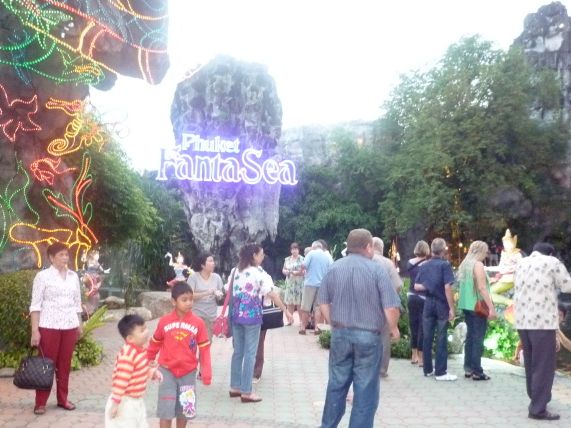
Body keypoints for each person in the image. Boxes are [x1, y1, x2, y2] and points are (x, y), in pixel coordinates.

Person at [317, 229, 401, 428]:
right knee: (365, 389)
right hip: (369, 337)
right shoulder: (377, 270)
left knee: (336, 384)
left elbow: (323, 301)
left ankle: (327, 425)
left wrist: (334, 323)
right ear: (368, 246)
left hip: (341, 334)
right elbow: (391, 307)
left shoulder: (334, 268)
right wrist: (394, 328)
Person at [227, 243, 292, 403]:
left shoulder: (235, 271)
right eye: (261, 254)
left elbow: (227, 289)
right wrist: (286, 310)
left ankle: (235, 387)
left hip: (236, 315)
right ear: (254, 255)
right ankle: (246, 391)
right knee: (250, 353)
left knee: (238, 351)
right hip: (252, 316)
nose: (263, 257)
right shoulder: (259, 272)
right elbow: (272, 293)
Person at [513, 242, 571, 421]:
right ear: (551, 253)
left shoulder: (521, 263)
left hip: (522, 320)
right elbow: (567, 286)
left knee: (531, 364)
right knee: (544, 366)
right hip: (542, 322)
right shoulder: (552, 262)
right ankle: (538, 409)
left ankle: (537, 398)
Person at [147, 282, 211, 427]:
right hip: (166, 373)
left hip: (188, 374)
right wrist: (147, 360)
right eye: (184, 300)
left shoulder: (198, 323)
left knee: (184, 411)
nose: (189, 303)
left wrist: (206, 373)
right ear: (173, 301)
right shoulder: (164, 321)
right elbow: (155, 342)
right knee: (166, 411)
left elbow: (204, 349)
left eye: (191, 299)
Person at [29, 242, 83, 415]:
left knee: (64, 365)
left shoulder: (73, 276)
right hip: (49, 326)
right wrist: (35, 331)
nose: (65, 258)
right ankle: (40, 402)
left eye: (66, 254)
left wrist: (79, 324)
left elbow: (77, 303)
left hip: (69, 325)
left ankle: (63, 399)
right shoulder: (42, 277)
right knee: (46, 364)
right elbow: (35, 305)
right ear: (51, 258)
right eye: (61, 255)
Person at [105, 314, 162, 427]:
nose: (146, 332)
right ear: (130, 338)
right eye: (142, 331)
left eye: (146, 328)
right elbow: (121, 380)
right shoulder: (127, 355)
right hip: (124, 402)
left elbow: (141, 368)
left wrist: (152, 372)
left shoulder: (140, 350)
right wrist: (116, 404)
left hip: (137, 400)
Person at [414, 237, 457, 381]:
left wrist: (429, 285)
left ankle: (427, 369)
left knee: (427, 336)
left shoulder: (425, 265)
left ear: (431, 250)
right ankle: (441, 372)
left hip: (428, 303)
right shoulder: (445, 265)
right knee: (441, 337)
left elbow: (416, 286)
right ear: (443, 250)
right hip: (441, 304)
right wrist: (452, 308)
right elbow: (447, 287)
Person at [457, 241, 497, 381]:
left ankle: (468, 368)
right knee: (477, 339)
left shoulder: (465, 264)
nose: (486, 255)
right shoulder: (478, 265)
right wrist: (491, 308)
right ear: (480, 251)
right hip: (477, 306)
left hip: (466, 305)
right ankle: (477, 371)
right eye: (485, 252)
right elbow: (481, 288)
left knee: (470, 337)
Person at [372, 237, 402, 378]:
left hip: (364, 305)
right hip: (383, 306)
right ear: (382, 248)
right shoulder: (388, 263)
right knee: (384, 337)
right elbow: (397, 285)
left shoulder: (364, 260)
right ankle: (382, 369)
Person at [253, 284, 292, 383]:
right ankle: (255, 372)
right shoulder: (263, 277)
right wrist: (285, 311)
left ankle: (254, 371)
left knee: (252, 344)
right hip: (257, 314)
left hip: (243, 315)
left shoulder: (236, 275)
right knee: (258, 343)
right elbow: (273, 295)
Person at [187, 253, 224, 340]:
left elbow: (221, 297)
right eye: (210, 261)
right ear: (202, 265)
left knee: (206, 343)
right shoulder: (193, 277)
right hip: (196, 316)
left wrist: (219, 296)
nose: (213, 263)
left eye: (213, 261)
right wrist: (206, 293)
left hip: (211, 317)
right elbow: (189, 296)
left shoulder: (217, 277)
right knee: (192, 343)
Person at [299, 241, 333, 335]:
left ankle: (303, 327)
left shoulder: (311, 253)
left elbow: (303, 265)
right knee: (317, 307)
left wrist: (303, 272)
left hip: (310, 283)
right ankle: (316, 328)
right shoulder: (327, 256)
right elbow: (331, 269)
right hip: (322, 285)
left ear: (313, 247)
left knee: (306, 306)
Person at [406, 240, 430, 366]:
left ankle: (413, 355)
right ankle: (421, 357)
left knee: (413, 325)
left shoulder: (410, 262)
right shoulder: (428, 264)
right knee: (422, 327)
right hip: (423, 297)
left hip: (411, 295)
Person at [282, 242, 305, 324]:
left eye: (296, 249)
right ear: (290, 250)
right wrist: (285, 272)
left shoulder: (302, 259)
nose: (294, 251)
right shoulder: (287, 259)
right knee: (289, 302)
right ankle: (290, 320)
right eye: (292, 249)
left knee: (299, 303)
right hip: (290, 283)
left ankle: (301, 321)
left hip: (299, 283)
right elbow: (283, 269)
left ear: (298, 250)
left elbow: (305, 271)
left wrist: (297, 273)